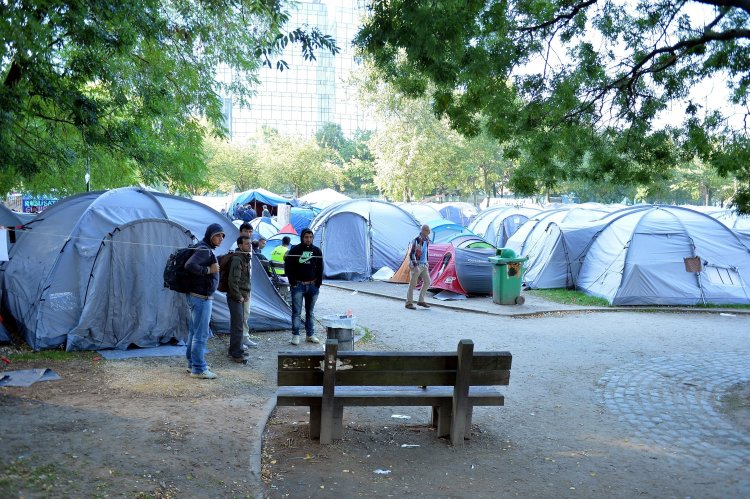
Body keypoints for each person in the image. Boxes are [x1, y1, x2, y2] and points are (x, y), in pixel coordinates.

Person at [184, 223, 224, 379]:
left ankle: (192, 363)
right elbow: (190, 265)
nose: (221, 238)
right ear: (210, 235)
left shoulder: (203, 247)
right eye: (218, 235)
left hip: (196, 296)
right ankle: (199, 369)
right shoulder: (205, 250)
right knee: (201, 334)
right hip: (201, 298)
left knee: (194, 332)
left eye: (222, 235)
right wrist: (208, 270)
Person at [285, 228, 323, 345]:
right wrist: (292, 282)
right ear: (302, 237)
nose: (308, 239)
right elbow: (288, 267)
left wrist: (318, 284)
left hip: (312, 286)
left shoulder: (317, 251)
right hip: (298, 285)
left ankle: (310, 334)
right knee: (296, 312)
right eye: (306, 237)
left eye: (311, 237)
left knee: (310, 312)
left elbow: (320, 268)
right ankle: (295, 335)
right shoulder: (295, 250)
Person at [226, 235, 252, 363]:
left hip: (240, 296)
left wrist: (245, 294)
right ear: (240, 246)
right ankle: (237, 354)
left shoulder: (244, 257)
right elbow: (233, 281)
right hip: (235, 297)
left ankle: (235, 349)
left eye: (250, 243)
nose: (249, 245)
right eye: (247, 244)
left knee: (238, 324)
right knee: (238, 326)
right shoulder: (237, 259)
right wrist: (239, 296)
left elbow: (243, 280)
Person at [237, 223, 257, 349]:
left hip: (246, 286)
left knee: (246, 313)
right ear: (240, 232)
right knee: (240, 314)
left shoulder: (249, 248)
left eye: (250, 232)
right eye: (246, 231)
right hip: (240, 289)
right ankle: (240, 340)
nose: (248, 234)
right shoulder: (238, 248)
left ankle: (244, 337)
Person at [405, 224, 432, 310]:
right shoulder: (416, 240)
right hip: (417, 265)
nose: (429, 232)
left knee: (427, 282)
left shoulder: (427, 240)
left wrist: (426, 261)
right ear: (423, 231)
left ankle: (421, 300)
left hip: (424, 264)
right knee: (413, 284)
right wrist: (415, 266)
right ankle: (408, 303)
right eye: (428, 231)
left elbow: (425, 252)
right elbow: (412, 254)